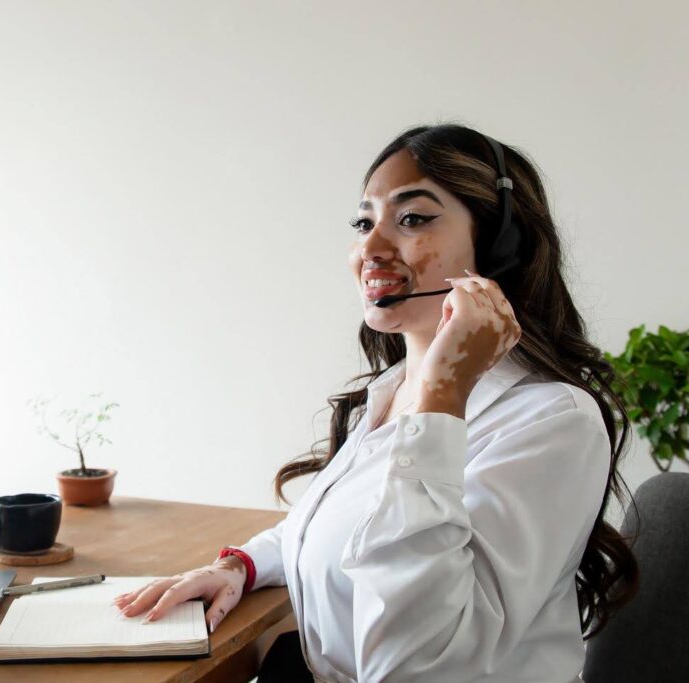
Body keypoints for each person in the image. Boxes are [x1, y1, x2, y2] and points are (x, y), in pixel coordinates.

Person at [113, 124, 639, 682]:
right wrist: (242, 565)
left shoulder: (552, 421)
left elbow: (413, 666)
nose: (369, 248)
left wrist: (441, 396)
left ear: (497, 247)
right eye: (364, 223)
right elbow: (348, 526)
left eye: (412, 218)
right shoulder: (390, 394)